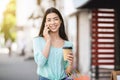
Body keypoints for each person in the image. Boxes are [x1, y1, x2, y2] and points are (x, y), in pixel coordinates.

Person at [33, 7, 74, 80]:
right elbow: (40, 63)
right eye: (49, 20)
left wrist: (70, 63)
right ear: (45, 23)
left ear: (60, 21)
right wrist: (48, 40)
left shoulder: (68, 44)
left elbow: (68, 73)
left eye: (56, 19)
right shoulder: (38, 41)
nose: (52, 22)